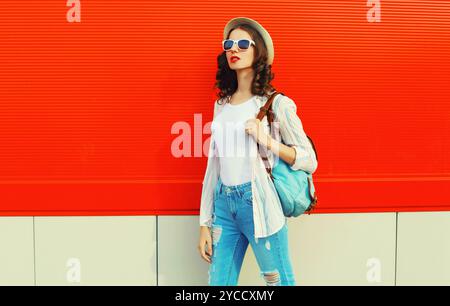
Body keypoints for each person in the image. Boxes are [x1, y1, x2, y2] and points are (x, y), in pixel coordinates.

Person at [197, 17, 318, 286]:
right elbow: (213, 167)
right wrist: (204, 221)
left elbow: (309, 159)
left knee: (278, 283)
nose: (233, 49)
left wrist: (268, 141)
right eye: (228, 44)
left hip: (258, 205)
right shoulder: (222, 105)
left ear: (258, 51)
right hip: (224, 208)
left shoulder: (277, 104)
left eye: (242, 43)